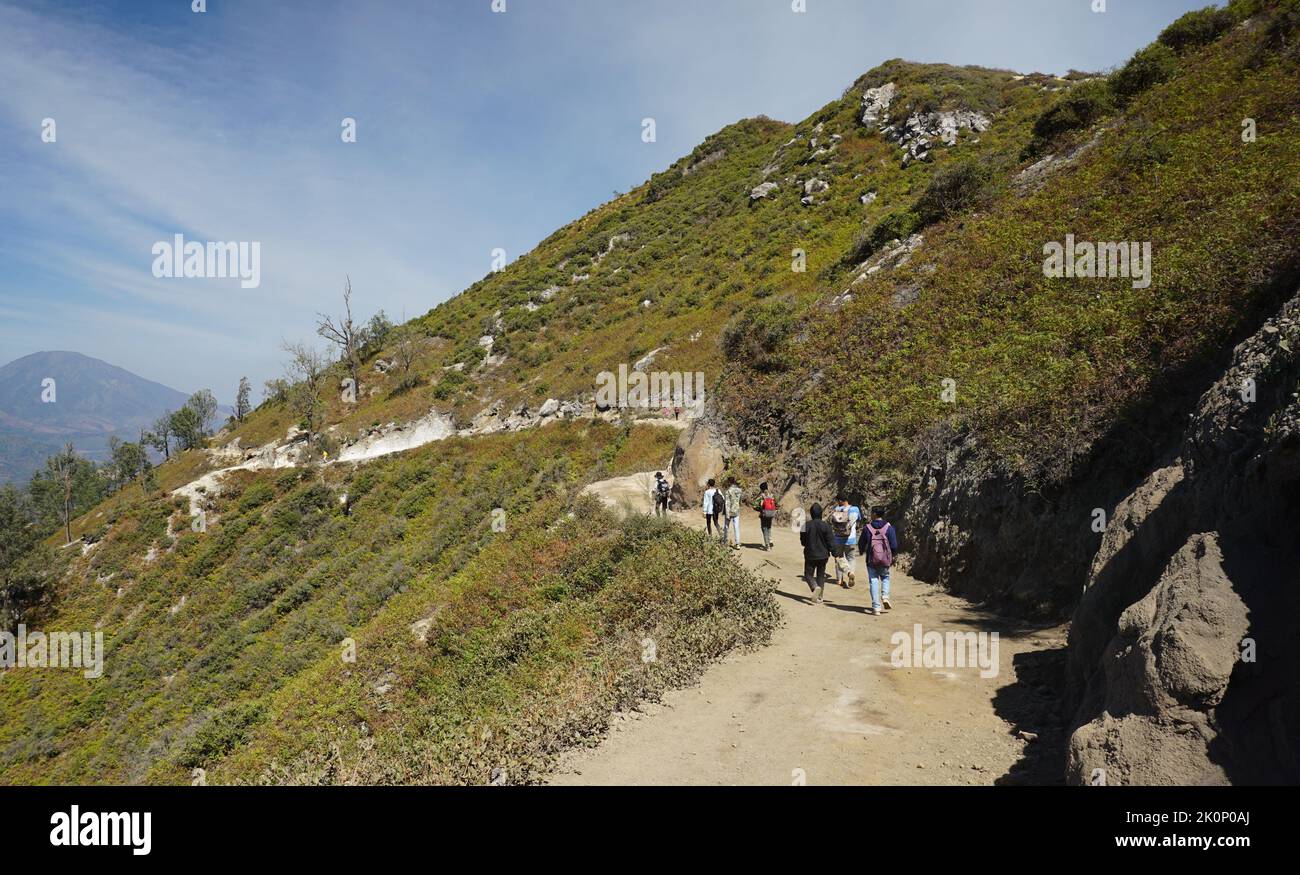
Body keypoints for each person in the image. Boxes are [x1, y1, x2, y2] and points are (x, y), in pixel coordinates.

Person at [863, 505, 899, 616]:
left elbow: (862, 543)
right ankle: (885, 596)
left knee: (873, 580)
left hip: (871, 559)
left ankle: (876, 607)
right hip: (885, 559)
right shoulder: (889, 527)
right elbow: (894, 545)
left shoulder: (868, 528)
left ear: (874, 514)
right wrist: (891, 555)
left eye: (871, 512)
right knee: (885, 577)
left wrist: (861, 551)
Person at [799, 503, 836, 604]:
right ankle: (820, 597)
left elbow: (803, 542)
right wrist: (835, 553)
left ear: (811, 514)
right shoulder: (826, 526)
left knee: (808, 574)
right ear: (821, 513)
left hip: (810, 554)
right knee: (820, 575)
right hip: (823, 555)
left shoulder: (805, 526)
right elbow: (831, 542)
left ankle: (814, 587)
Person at [829, 496, 861, 588]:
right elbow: (859, 520)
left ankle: (839, 579)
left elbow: (833, 522)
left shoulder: (836, 509)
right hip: (851, 539)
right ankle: (851, 573)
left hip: (838, 538)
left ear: (840, 500)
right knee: (851, 558)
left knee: (839, 558)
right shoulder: (855, 509)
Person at [755, 482, 778, 551]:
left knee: (764, 528)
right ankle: (770, 540)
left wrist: (759, 509)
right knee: (769, 527)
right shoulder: (772, 495)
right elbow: (776, 504)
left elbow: (754, 505)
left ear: (761, 489)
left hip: (764, 514)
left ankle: (767, 545)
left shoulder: (761, 496)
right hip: (771, 514)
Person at [724, 478, 744, 550]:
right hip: (736, 510)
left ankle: (725, 541)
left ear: (729, 482)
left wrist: (727, 513)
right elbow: (740, 501)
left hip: (729, 511)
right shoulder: (739, 490)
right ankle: (737, 543)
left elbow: (727, 503)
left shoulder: (728, 491)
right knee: (736, 527)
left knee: (726, 526)